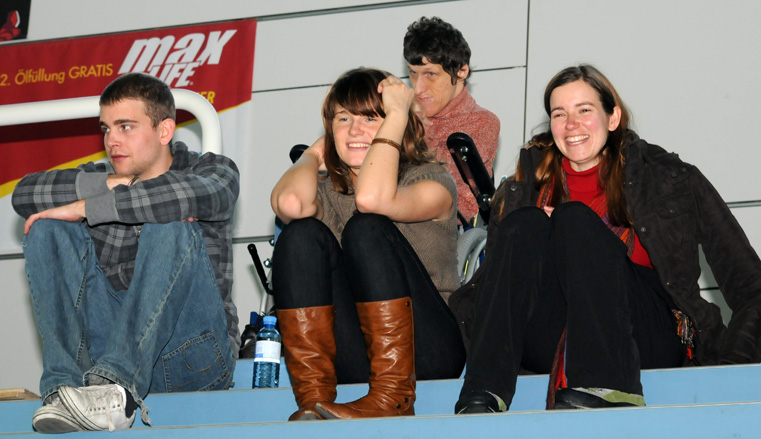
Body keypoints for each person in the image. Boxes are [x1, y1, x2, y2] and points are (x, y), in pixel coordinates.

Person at [450, 64, 761, 414]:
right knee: (524, 225)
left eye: (584, 110)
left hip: (646, 334)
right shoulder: (522, 191)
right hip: (554, 332)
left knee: (573, 220)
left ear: (613, 118)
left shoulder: (671, 180)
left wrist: (731, 370)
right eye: (559, 114)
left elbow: (752, 287)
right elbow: (495, 291)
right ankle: (483, 391)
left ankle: (608, 383)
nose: (571, 124)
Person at [12, 72, 240, 433]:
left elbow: (180, 195)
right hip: (106, 358)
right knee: (47, 227)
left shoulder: (211, 170)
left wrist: (89, 207)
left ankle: (117, 387)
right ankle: (63, 389)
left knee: (168, 221)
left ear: (165, 131)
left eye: (126, 127)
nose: (111, 140)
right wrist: (107, 184)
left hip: (193, 360)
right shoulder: (103, 175)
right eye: (106, 128)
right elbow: (24, 194)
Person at [270, 67, 465, 421]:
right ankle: (313, 400)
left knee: (365, 227)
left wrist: (399, 115)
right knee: (299, 233)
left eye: (371, 118)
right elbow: (290, 205)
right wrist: (314, 154)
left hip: (430, 351)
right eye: (344, 119)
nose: (355, 130)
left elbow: (372, 199)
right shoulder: (325, 190)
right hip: (356, 355)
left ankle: (393, 397)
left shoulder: (431, 179)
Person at [404, 16, 501, 226]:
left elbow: (443, 191)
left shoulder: (481, 122)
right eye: (413, 73)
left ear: (461, 71)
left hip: (443, 232)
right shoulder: (404, 117)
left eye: (430, 74)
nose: (418, 88)